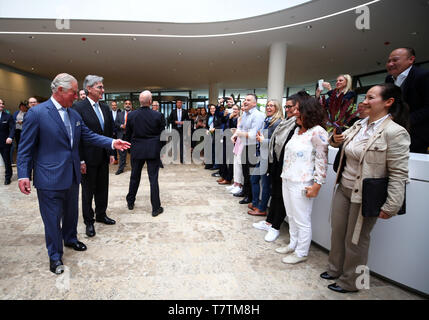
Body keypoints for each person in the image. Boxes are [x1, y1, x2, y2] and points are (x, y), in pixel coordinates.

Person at [17, 73, 130, 274]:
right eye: (73, 92)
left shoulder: (74, 114)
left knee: (71, 213)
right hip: (49, 178)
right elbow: (25, 148)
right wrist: (23, 174)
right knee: (52, 219)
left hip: (72, 175)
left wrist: (112, 143)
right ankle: (55, 256)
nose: (77, 96)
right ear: (59, 91)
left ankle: (70, 239)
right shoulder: (38, 113)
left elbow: (88, 135)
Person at [320, 83, 410, 293]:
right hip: (344, 187)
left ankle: (353, 282)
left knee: (357, 240)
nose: (365, 102)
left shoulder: (395, 132)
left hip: (366, 195)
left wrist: (392, 205)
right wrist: (335, 139)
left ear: (388, 102)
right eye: (365, 97)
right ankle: (335, 270)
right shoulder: (360, 124)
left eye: (371, 98)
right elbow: (337, 144)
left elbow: (399, 173)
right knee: (338, 232)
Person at [275, 96, 328, 264]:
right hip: (288, 179)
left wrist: (317, 185)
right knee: (291, 216)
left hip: (303, 182)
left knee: (302, 219)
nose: (295, 113)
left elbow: (321, 160)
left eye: (299, 110)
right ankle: (293, 244)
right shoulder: (298, 130)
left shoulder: (318, 132)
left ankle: (301, 252)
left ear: (309, 112)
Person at [252, 92, 310, 242]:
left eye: (291, 106)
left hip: (289, 167)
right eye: (287, 106)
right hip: (277, 162)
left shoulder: (300, 124)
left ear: (301, 106)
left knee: (281, 198)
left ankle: (275, 227)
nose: (288, 109)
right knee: (275, 194)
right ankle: (269, 222)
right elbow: (278, 142)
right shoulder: (288, 122)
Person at [72, 75, 116, 238]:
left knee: (103, 187)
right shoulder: (78, 107)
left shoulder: (104, 108)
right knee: (88, 191)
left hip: (103, 156)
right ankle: (88, 221)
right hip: (88, 158)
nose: (103, 90)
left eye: (103, 87)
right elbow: (78, 137)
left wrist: (111, 152)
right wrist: (81, 159)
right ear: (89, 89)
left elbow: (109, 132)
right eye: (100, 87)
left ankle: (101, 214)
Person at [125, 90, 165, 216]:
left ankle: (130, 202)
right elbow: (163, 136)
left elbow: (127, 135)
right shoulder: (158, 115)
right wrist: (160, 149)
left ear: (140, 102)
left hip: (137, 150)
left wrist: (130, 150)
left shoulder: (131, 115)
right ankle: (156, 208)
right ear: (150, 101)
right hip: (153, 150)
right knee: (153, 179)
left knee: (134, 177)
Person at [385, 47, 429, 154]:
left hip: (417, 135)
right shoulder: (388, 79)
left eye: (395, 60)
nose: (390, 64)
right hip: (391, 134)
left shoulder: (423, 76)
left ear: (411, 59)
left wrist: (403, 121)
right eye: (389, 61)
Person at [248, 100, 283, 219]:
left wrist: (263, 140)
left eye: (272, 106)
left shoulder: (278, 123)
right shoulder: (267, 121)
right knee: (254, 179)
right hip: (262, 155)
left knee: (265, 184)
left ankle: (262, 209)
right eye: (267, 105)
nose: (268, 107)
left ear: (277, 108)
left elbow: (278, 143)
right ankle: (255, 203)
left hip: (269, 158)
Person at [231, 94, 266, 204]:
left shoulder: (258, 115)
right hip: (245, 145)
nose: (245, 102)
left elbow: (252, 134)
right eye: (245, 100)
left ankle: (250, 197)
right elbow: (240, 127)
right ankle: (245, 192)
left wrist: (239, 133)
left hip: (253, 147)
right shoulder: (245, 114)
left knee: (250, 174)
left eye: (248, 100)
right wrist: (235, 135)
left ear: (254, 103)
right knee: (245, 172)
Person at [219, 104, 240, 185]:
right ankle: (224, 176)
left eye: (236, 109)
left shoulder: (239, 119)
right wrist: (228, 117)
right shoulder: (229, 117)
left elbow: (235, 129)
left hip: (233, 141)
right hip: (225, 138)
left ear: (238, 110)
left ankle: (228, 178)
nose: (234, 111)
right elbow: (223, 123)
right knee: (223, 158)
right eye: (233, 109)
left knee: (231, 161)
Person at [114, 100, 133, 175]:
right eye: (126, 104)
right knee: (122, 154)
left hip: (131, 136)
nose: (127, 105)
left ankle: (134, 168)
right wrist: (121, 126)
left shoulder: (134, 114)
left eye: (129, 104)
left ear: (131, 105)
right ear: (124, 105)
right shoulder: (119, 114)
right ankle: (121, 169)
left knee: (133, 153)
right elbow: (116, 123)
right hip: (121, 136)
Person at [0, 98, 15, 185]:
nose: (1, 105)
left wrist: (10, 137)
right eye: (0, 103)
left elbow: (13, 128)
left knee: (7, 161)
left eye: (2, 104)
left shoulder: (8, 116)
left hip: (5, 142)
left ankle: (8, 177)